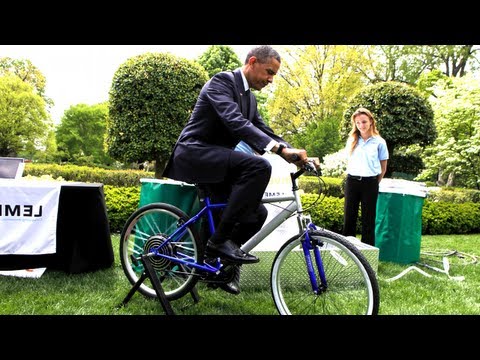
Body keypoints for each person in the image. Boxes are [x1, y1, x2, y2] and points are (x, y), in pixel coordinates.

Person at [163, 45, 310, 295]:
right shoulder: (221, 82)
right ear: (252, 62)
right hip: (195, 153)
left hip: (219, 161)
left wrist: (294, 152)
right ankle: (218, 243)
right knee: (258, 166)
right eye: (269, 72)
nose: (271, 80)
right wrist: (277, 150)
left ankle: (216, 266)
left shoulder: (250, 99)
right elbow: (234, 121)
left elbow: (264, 131)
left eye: (274, 75)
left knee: (257, 214)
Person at [343, 107, 389, 247]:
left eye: (364, 122)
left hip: (370, 183)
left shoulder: (379, 142)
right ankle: (347, 248)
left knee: (368, 219)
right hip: (352, 181)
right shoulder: (352, 140)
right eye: (358, 123)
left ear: (370, 121)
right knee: (349, 217)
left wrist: (374, 181)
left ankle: (367, 251)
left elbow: (383, 167)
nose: (361, 125)